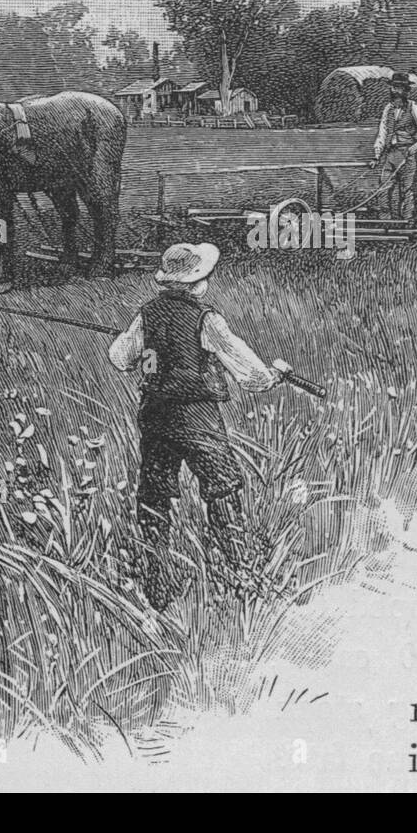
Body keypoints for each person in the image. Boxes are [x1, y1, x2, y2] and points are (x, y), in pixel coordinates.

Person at [108, 242, 285, 611]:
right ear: (198, 283)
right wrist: (274, 376)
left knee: (155, 494)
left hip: (156, 415)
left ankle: (157, 579)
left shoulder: (146, 315)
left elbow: (121, 358)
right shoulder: (208, 319)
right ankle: (241, 572)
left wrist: (138, 343)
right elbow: (248, 373)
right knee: (222, 489)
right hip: (198, 417)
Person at [368, 71, 417, 220]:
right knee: (383, 188)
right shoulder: (388, 109)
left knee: (406, 190)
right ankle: (385, 220)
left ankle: (407, 220)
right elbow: (382, 133)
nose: (395, 91)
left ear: (406, 90)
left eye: (399, 88)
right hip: (391, 154)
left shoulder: (415, 108)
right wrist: (376, 156)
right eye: (393, 87)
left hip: (407, 154)